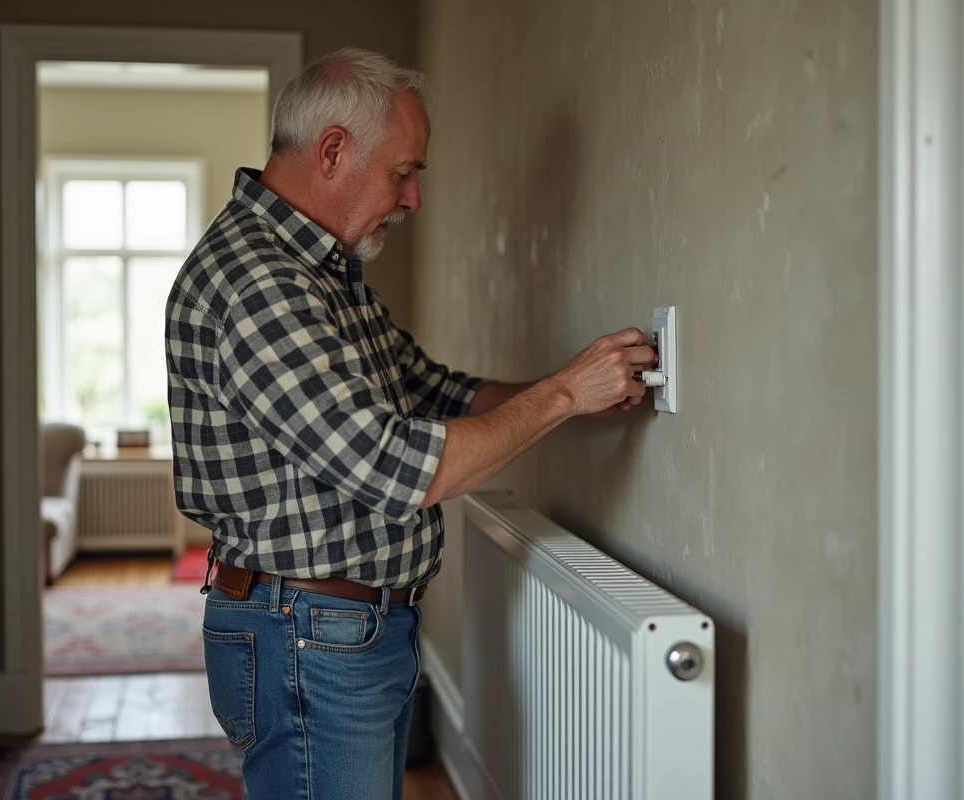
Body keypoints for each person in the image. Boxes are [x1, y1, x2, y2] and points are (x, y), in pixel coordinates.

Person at [165, 47, 655, 800]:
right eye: (404, 171)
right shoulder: (259, 281)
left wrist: (590, 393)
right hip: (308, 634)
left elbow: (436, 392)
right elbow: (399, 468)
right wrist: (563, 395)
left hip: (336, 629)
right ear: (333, 151)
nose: (413, 199)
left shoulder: (322, 275)